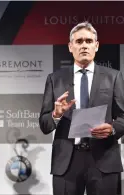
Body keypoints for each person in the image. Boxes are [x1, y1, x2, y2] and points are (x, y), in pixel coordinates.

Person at [39, 21, 124, 195]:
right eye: (78, 42)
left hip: (104, 159)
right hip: (67, 162)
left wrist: (113, 129)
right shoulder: (55, 79)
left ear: (96, 45)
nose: (84, 46)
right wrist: (56, 114)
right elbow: (44, 124)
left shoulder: (114, 77)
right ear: (70, 47)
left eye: (88, 41)